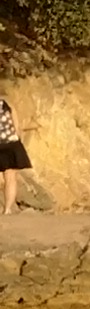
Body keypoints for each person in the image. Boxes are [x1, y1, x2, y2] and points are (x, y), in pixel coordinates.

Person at [0, 87, 28, 215]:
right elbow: (17, 128)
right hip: (11, 143)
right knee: (10, 178)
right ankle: (7, 209)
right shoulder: (8, 104)